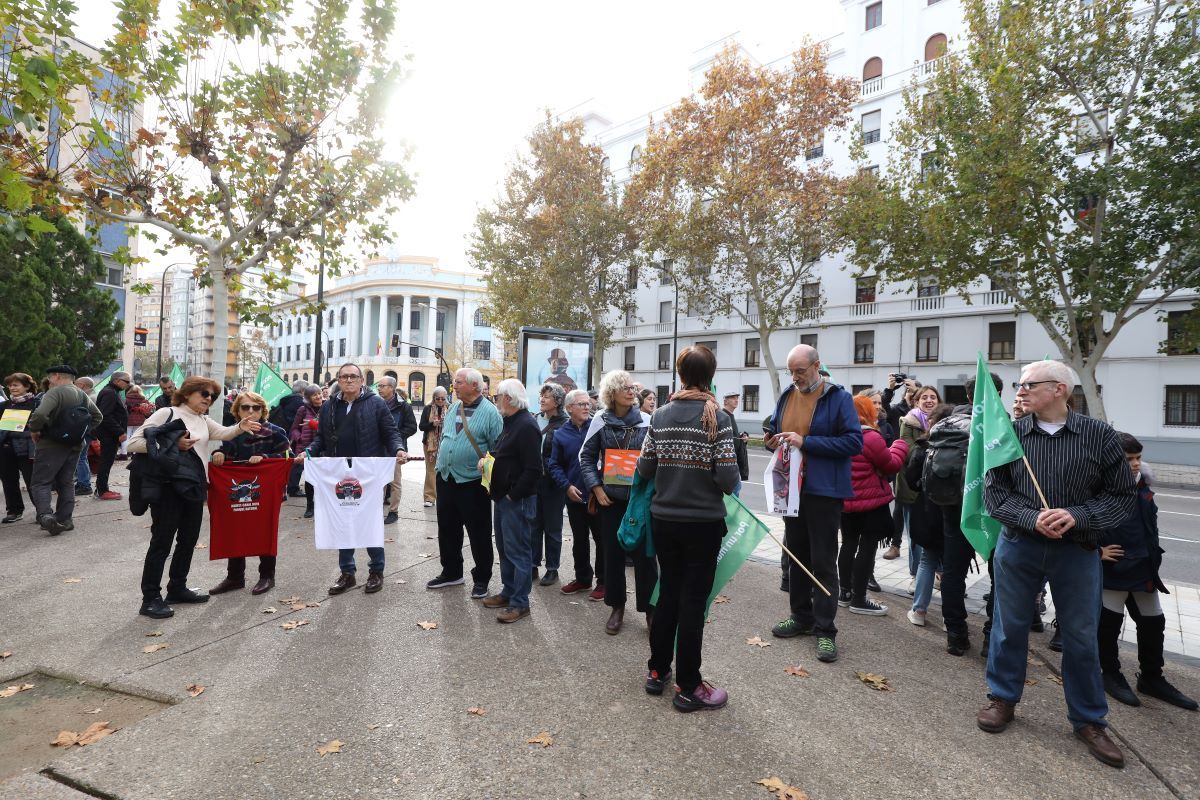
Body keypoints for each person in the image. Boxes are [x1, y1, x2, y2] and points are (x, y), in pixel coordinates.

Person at [978, 360, 1137, 768]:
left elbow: (1120, 497)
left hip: (1077, 550)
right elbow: (994, 494)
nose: (1020, 391)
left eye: (1029, 384)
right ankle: (1002, 698)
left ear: (1059, 390)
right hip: (1020, 545)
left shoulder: (1098, 435)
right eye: (1019, 384)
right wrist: (1032, 517)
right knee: (1008, 627)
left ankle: (1089, 720)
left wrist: (1076, 516)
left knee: (1081, 637)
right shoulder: (1011, 434)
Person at [638, 346, 739, 712]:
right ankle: (689, 686)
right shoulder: (718, 418)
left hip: (665, 520)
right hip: (702, 524)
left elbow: (645, 469)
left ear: (680, 374)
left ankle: (656, 670)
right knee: (693, 603)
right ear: (710, 375)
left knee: (668, 596)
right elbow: (728, 479)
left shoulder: (660, 415)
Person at [128, 376, 259, 618]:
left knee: (188, 541)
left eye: (212, 396)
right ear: (188, 393)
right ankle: (150, 598)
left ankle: (177, 587)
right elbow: (133, 443)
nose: (208, 399)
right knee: (161, 543)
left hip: (194, 488)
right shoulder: (166, 413)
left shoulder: (202, 419)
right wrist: (172, 444)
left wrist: (242, 426)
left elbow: (225, 433)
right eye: (204, 394)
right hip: (168, 488)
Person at [766, 344, 862, 664]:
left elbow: (853, 442)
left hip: (823, 492)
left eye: (800, 371)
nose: (795, 377)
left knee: (822, 561)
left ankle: (825, 630)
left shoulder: (839, 398)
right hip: (791, 489)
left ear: (817, 366)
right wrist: (773, 440)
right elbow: (774, 429)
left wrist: (805, 441)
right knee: (796, 557)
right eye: (791, 371)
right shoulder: (787, 396)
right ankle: (800, 617)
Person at [1097, 432, 1197, 711]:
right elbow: (1082, 519)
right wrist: (1096, 551)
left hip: (1143, 566)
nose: (1136, 464)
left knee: (1154, 622)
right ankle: (1110, 674)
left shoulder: (1143, 485)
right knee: (1109, 625)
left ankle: (1152, 677)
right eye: (1129, 459)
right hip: (1114, 568)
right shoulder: (1098, 486)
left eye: (1139, 458)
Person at [297, 363, 407, 596]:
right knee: (342, 522)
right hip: (338, 472)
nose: (348, 380)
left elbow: (391, 431)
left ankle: (376, 571)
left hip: (367, 474)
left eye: (353, 376)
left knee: (370, 521)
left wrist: (398, 449)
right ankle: (347, 573)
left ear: (361, 381)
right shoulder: (329, 406)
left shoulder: (375, 403)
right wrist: (308, 453)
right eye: (344, 376)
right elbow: (321, 439)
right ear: (338, 379)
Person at [579, 369, 658, 636]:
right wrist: (596, 487)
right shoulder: (600, 420)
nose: (630, 391)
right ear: (611, 393)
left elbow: (657, 460)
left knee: (645, 557)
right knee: (612, 555)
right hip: (609, 500)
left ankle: (650, 610)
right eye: (623, 387)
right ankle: (616, 607)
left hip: (640, 501)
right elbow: (586, 457)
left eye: (632, 387)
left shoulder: (648, 421)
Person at [427, 368, 502, 597]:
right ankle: (451, 572)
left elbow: (498, 448)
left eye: (458, 382)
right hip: (446, 478)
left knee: (478, 533)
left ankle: (481, 579)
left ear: (474, 386)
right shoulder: (452, 408)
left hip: (473, 482)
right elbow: (447, 436)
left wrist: (486, 465)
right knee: (447, 529)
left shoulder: (491, 413)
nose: (454, 386)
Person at [208, 390, 290, 596]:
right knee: (236, 529)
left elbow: (287, 456)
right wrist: (218, 453)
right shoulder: (233, 431)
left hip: (266, 492)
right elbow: (224, 450)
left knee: (264, 529)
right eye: (245, 407)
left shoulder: (275, 431)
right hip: (237, 492)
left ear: (263, 410)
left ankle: (267, 576)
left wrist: (264, 456)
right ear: (237, 411)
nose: (251, 411)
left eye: (256, 407)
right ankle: (235, 577)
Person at [837, 395, 908, 616]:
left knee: (848, 545)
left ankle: (844, 593)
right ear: (865, 411)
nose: (877, 410)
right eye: (872, 407)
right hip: (869, 504)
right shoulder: (870, 437)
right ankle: (859, 598)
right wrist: (899, 446)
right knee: (867, 549)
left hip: (845, 502)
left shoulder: (840, 434)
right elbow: (892, 464)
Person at [480, 379, 541, 623]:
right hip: (504, 498)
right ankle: (508, 592)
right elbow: (503, 453)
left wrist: (512, 494)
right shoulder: (511, 422)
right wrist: (487, 460)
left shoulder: (526, 425)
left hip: (516, 500)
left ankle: (520, 603)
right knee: (505, 549)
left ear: (508, 397)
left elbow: (534, 469)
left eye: (497, 396)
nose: (496, 401)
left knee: (518, 552)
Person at [26, 366, 102, 536]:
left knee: (41, 482)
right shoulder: (81, 394)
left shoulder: (54, 392)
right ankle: (65, 520)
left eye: (50, 377)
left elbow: (39, 415)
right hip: (75, 444)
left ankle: (46, 516)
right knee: (66, 482)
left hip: (50, 444)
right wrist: (80, 431)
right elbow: (98, 416)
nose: (49, 380)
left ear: (56, 376)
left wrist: (35, 430)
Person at [904, 403, 954, 626]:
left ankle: (919, 611)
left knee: (927, 560)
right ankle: (949, 617)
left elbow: (911, 481)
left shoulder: (923, 446)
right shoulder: (966, 446)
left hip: (928, 512)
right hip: (955, 514)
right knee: (953, 566)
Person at [550, 389, 603, 597]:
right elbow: (554, 465)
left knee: (602, 540)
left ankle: (603, 582)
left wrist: (600, 487)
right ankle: (583, 579)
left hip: (598, 495)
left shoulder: (598, 428)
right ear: (569, 408)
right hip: (575, 496)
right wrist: (567, 486)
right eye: (581, 404)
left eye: (588, 404)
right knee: (579, 540)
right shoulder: (561, 433)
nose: (587, 407)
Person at [886, 385, 941, 568]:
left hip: (938, 487)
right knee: (916, 535)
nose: (929, 400)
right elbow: (910, 453)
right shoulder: (908, 422)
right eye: (924, 397)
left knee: (938, 532)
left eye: (933, 397)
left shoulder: (946, 421)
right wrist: (937, 454)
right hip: (913, 486)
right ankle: (915, 574)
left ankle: (939, 572)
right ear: (916, 402)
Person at [532, 382, 568, 585]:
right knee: (533, 525)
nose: (542, 399)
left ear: (558, 401)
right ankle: (532, 565)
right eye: (542, 396)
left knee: (553, 527)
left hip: (553, 483)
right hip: (533, 481)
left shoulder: (565, 423)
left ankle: (552, 568)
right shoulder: (534, 419)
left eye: (547, 396)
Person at [378, 376, 418, 525]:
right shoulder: (376, 403)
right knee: (378, 481)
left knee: (395, 482)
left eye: (383, 386)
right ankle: (376, 510)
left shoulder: (404, 406)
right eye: (379, 386)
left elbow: (412, 427)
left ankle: (393, 511)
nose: (379, 389)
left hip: (396, 450)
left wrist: (394, 436)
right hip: (378, 449)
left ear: (392, 388)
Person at [0, 373, 39, 524]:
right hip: (5, 448)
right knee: (9, 481)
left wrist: (17, 431)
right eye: (10, 385)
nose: (12, 388)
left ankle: (42, 510)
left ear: (27, 386)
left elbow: (40, 427)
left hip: (28, 449)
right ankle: (14, 511)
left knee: (32, 481)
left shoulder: (36, 403)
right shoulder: (4, 405)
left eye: (16, 385)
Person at [93, 371, 131, 500]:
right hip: (109, 434)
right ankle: (102, 490)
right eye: (127, 381)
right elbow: (105, 415)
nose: (128, 384)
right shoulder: (110, 392)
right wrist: (119, 431)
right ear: (117, 381)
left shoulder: (112, 391)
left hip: (109, 433)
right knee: (106, 461)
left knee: (107, 461)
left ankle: (101, 488)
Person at [289, 386, 323, 518]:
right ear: (308, 398)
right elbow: (294, 429)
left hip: (323, 448)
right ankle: (310, 505)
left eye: (319, 393)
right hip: (306, 448)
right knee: (309, 478)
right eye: (314, 395)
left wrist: (315, 424)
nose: (318, 397)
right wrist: (300, 438)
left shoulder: (327, 407)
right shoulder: (303, 409)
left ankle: (322, 504)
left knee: (322, 478)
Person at [418, 386, 449, 508]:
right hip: (430, 444)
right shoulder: (427, 408)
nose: (441, 401)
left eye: (443, 399)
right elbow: (421, 426)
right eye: (438, 399)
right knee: (431, 470)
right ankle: (429, 497)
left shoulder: (450, 408)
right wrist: (432, 424)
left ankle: (443, 496)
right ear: (434, 398)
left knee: (444, 470)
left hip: (445, 443)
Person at [722, 392, 750, 496]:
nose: (736, 400)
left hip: (734, 464)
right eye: (733, 398)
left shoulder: (729, 416)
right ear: (725, 401)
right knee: (734, 494)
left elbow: (732, 436)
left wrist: (742, 437)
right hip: (728, 464)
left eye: (737, 398)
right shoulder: (723, 416)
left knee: (735, 491)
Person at [73, 376, 96, 496]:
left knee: (80, 458)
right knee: (82, 458)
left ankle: (84, 484)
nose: (73, 385)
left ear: (82, 385)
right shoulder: (90, 396)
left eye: (75, 383)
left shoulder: (88, 398)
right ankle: (83, 483)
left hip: (85, 432)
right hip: (87, 432)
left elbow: (85, 417)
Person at [124, 385, 154, 456]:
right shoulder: (143, 400)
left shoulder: (126, 399)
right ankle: (135, 453)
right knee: (136, 436)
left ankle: (124, 452)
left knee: (127, 436)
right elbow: (148, 410)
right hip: (140, 421)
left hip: (128, 420)